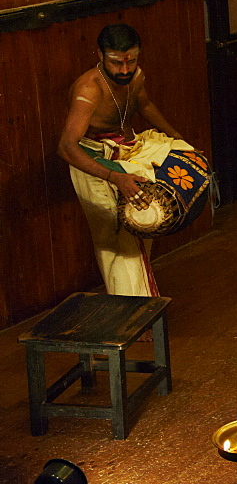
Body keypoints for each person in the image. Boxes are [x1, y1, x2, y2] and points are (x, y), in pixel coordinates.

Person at [57, 23, 193, 296]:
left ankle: (142, 309)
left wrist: (179, 139)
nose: (125, 70)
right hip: (94, 161)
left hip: (126, 152)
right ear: (100, 55)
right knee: (114, 241)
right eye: (116, 62)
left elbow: (144, 105)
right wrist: (115, 177)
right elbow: (66, 147)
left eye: (131, 61)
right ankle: (131, 313)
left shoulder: (136, 76)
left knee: (139, 227)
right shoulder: (90, 89)